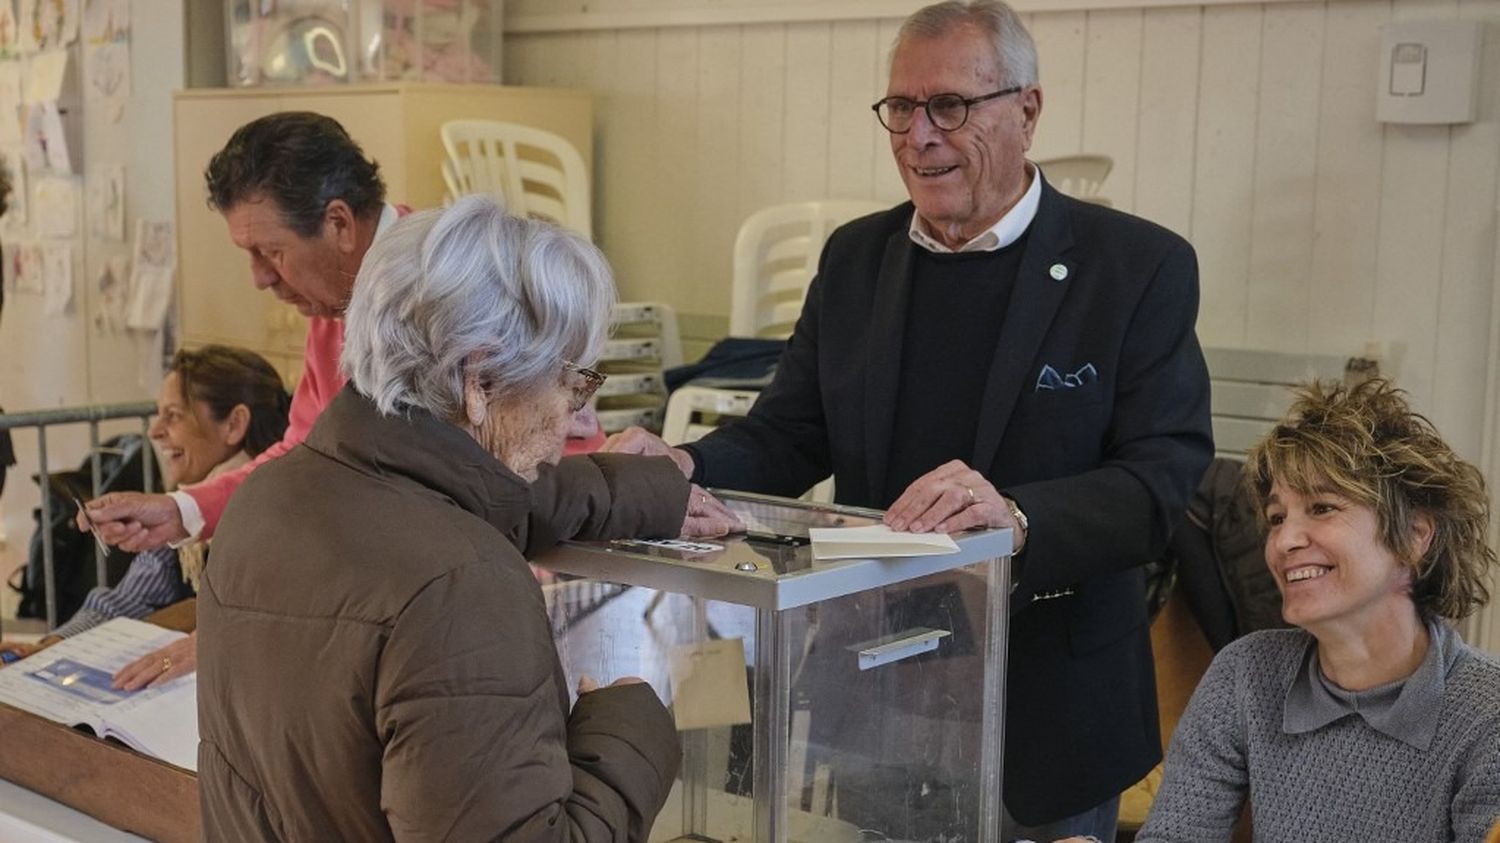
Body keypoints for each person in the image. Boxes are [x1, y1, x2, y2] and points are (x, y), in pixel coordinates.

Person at [603, 1, 1213, 837]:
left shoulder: (1137, 268)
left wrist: (1019, 518)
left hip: (1047, 709)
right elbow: (788, 433)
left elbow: (1160, 482)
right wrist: (683, 468)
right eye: (901, 108)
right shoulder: (857, 258)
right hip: (877, 694)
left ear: (1027, 111)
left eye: (951, 107)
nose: (919, 135)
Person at [196, 196, 737, 840]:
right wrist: (627, 729)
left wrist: (644, 493)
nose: (576, 420)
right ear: (477, 380)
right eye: (573, 383)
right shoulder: (461, 584)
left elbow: (467, 493)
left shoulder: (272, 497)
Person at [81, 112, 607, 685]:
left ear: (338, 224)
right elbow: (307, 455)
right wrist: (185, 508)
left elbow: (433, 492)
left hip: (515, 584)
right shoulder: (341, 301)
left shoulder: (444, 284)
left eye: (271, 252)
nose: (259, 278)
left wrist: (262, 624)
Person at [1137, 379, 1500, 842]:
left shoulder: (1488, 712)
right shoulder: (1246, 673)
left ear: (1414, 536)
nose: (1284, 541)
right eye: (1276, 518)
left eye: (1322, 507)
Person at [0, 346, 289, 666]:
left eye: (174, 416)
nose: (154, 431)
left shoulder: (279, 515)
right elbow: (127, 600)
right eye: (158, 414)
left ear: (234, 424)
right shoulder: (182, 509)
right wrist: (50, 646)